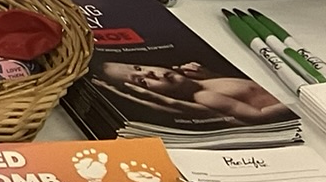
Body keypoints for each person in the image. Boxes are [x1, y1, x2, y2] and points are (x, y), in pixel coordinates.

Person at [93, 59, 292, 124]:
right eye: (142, 81)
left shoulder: (204, 80)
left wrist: (208, 73)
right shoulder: (205, 96)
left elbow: (244, 86)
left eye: (139, 68)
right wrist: (294, 104)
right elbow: (258, 115)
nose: (151, 72)